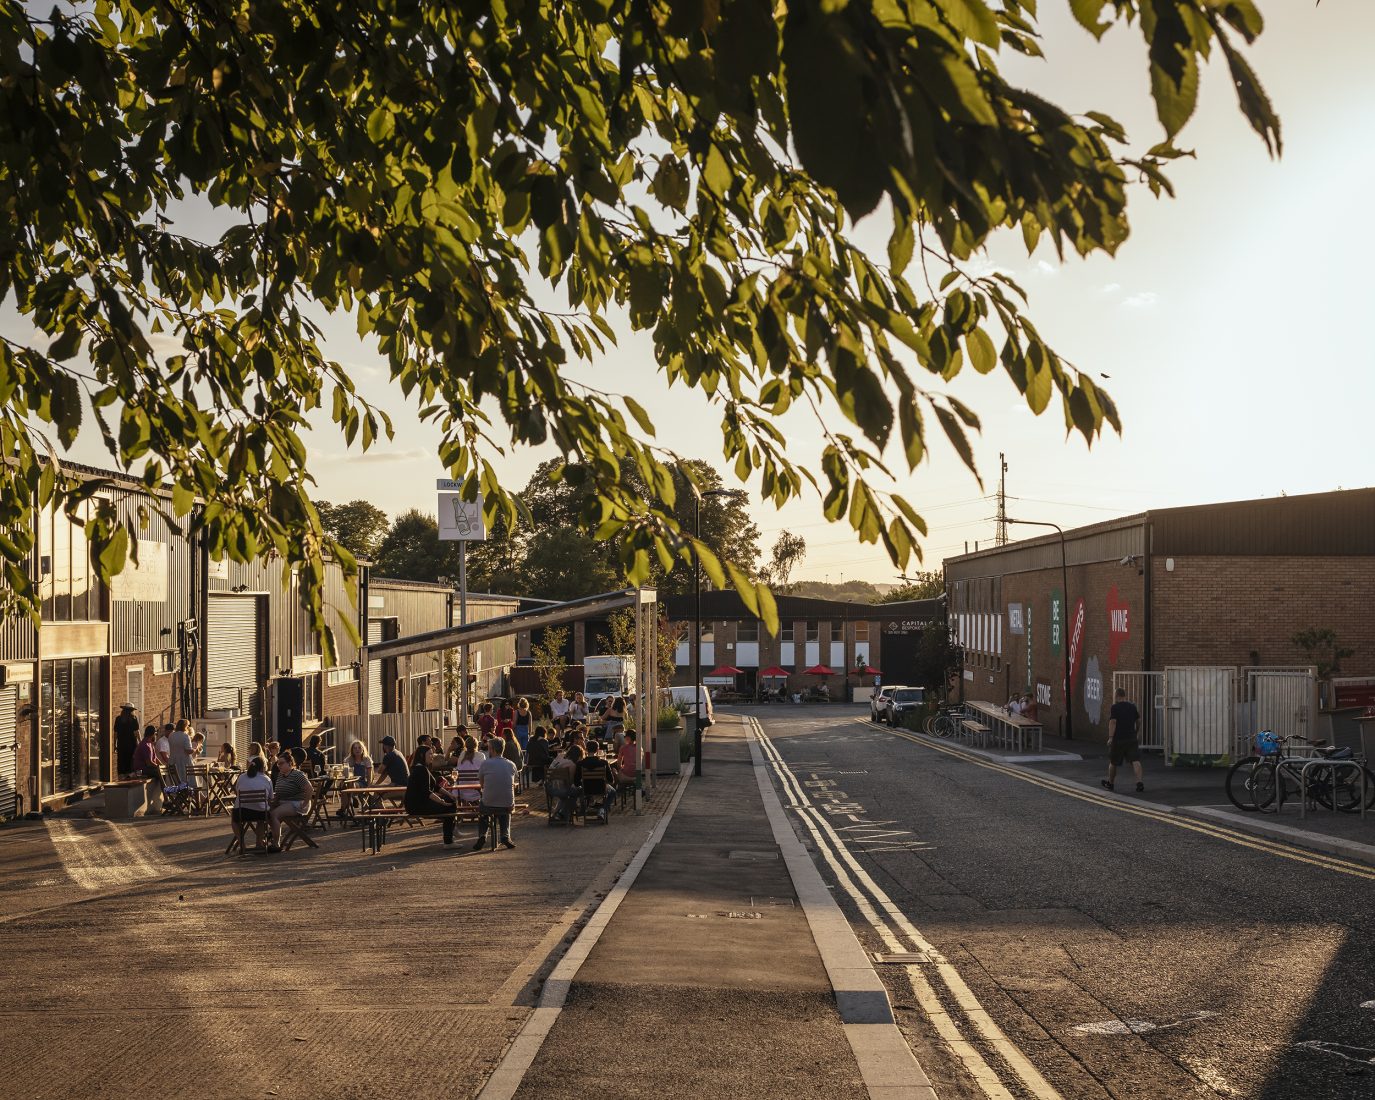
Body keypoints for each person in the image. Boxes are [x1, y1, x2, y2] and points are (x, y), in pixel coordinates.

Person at [404, 745, 460, 845]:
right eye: (429, 754)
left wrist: (449, 795)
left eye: (432, 754)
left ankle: (451, 830)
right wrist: (441, 801)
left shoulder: (422, 768)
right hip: (416, 806)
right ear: (422, 755)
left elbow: (435, 787)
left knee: (451, 801)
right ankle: (449, 840)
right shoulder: (421, 770)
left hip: (418, 803)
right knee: (450, 807)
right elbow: (427, 792)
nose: (432, 756)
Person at [474, 736, 518, 850]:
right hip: (506, 804)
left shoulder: (485, 764)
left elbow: (482, 785)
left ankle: (482, 835)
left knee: (483, 808)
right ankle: (505, 836)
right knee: (506, 807)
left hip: (489, 804)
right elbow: (513, 783)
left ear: (492, 750)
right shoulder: (511, 764)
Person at [266, 752, 312, 852]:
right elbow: (278, 793)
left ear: (290, 763)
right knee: (266, 812)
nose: (279, 765)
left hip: (297, 803)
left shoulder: (297, 774)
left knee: (274, 814)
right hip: (284, 802)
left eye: (281, 763)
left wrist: (305, 803)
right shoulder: (280, 775)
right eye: (278, 763)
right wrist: (273, 802)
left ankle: (276, 843)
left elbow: (309, 789)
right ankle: (270, 834)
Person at [1103, 688, 1144, 793]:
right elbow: (1138, 720)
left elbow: (1113, 722)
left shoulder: (1115, 707)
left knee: (1113, 762)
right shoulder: (1132, 707)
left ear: (1116, 696)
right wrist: (1136, 731)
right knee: (1135, 760)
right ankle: (1139, 783)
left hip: (1118, 739)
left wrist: (1111, 737)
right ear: (1124, 696)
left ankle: (1111, 783)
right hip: (1131, 738)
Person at [233, 759, 275, 851]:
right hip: (260, 813)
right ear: (263, 767)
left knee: (234, 821)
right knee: (262, 819)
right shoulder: (266, 779)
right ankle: (259, 843)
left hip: (241, 813)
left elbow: (237, 791)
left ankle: (242, 844)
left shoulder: (241, 777)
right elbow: (271, 798)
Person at [575, 741, 616, 823]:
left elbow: (576, 782)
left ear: (586, 749)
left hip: (586, 789)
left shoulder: (580, 763)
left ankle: (584, 809)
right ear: (597, 750)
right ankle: (602, 810)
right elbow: (611, 780)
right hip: (601, 788)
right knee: (613, 792)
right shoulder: (603, 763)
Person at [454, 735, 485, 804]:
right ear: (476, 745)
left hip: (462, 790)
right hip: (477, 790)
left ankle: (465, 805)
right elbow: (484, 771)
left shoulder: (462, 754)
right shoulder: (481, 755)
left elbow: (457, 770)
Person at [114, 704, 140, 776]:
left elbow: (115, 733)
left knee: (121, 761)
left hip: (121, 744)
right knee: (131, 761)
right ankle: (129, 776)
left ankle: (121, 777)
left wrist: (114, 744)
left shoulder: (118, 719)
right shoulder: (134, 719)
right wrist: (140, 742)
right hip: (131, 744)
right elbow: (136, 732)